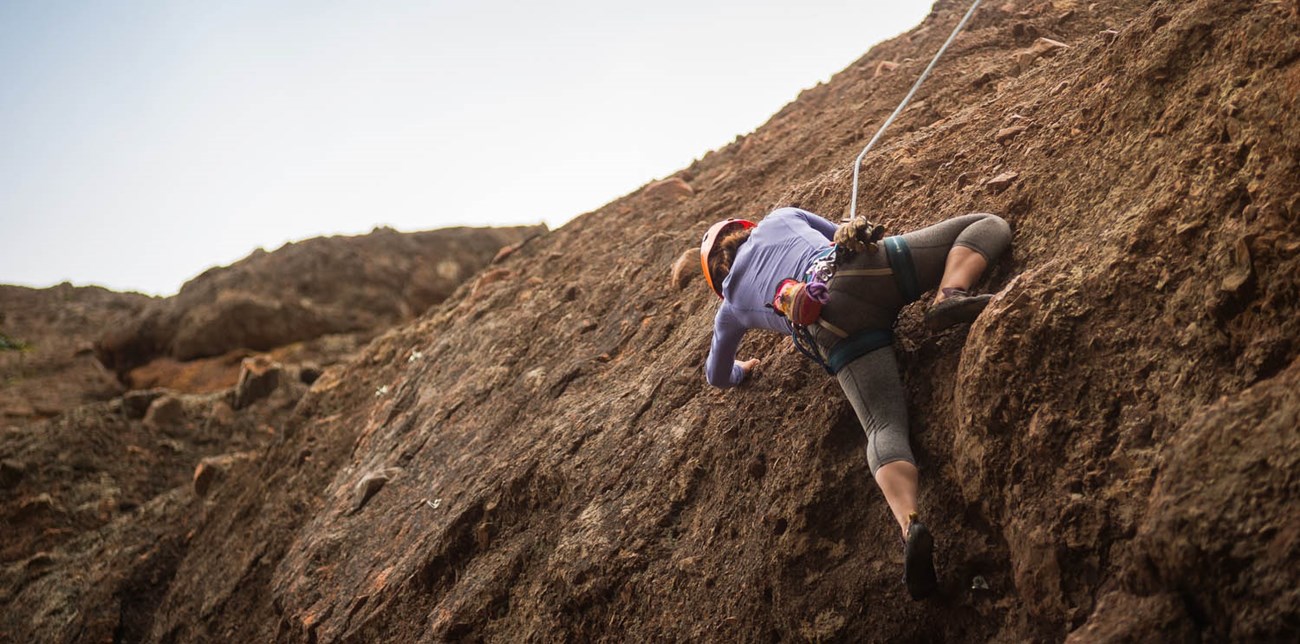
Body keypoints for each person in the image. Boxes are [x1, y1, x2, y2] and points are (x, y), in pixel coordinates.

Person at [699, 206, 1012, 600]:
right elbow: (843, 236)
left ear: (719, 280)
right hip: (868, 271)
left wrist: (742, 370)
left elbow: (716, 375)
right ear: (745, 229)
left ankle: (908, 521)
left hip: (830, 325)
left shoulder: (729, 309)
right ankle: (950, 294)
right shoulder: (780, 217)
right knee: (985, 224)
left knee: (882, 426)